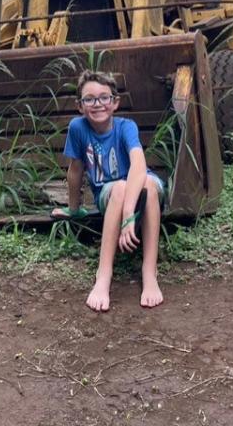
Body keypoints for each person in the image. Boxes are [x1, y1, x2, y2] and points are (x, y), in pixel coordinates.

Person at [51, 70, 165, 311]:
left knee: (149, 186)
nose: (98, 104)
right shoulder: (78, 128)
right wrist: (73, 209)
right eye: (89, 99)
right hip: (110, 195)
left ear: (115, 102)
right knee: (121, 187)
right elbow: (75, 170)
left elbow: (139, 165)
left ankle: (149, 272)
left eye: (104, 97)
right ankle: (103, 277)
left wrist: (128, 217)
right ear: (80, 106)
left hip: (140, 193)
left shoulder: (126, 127)